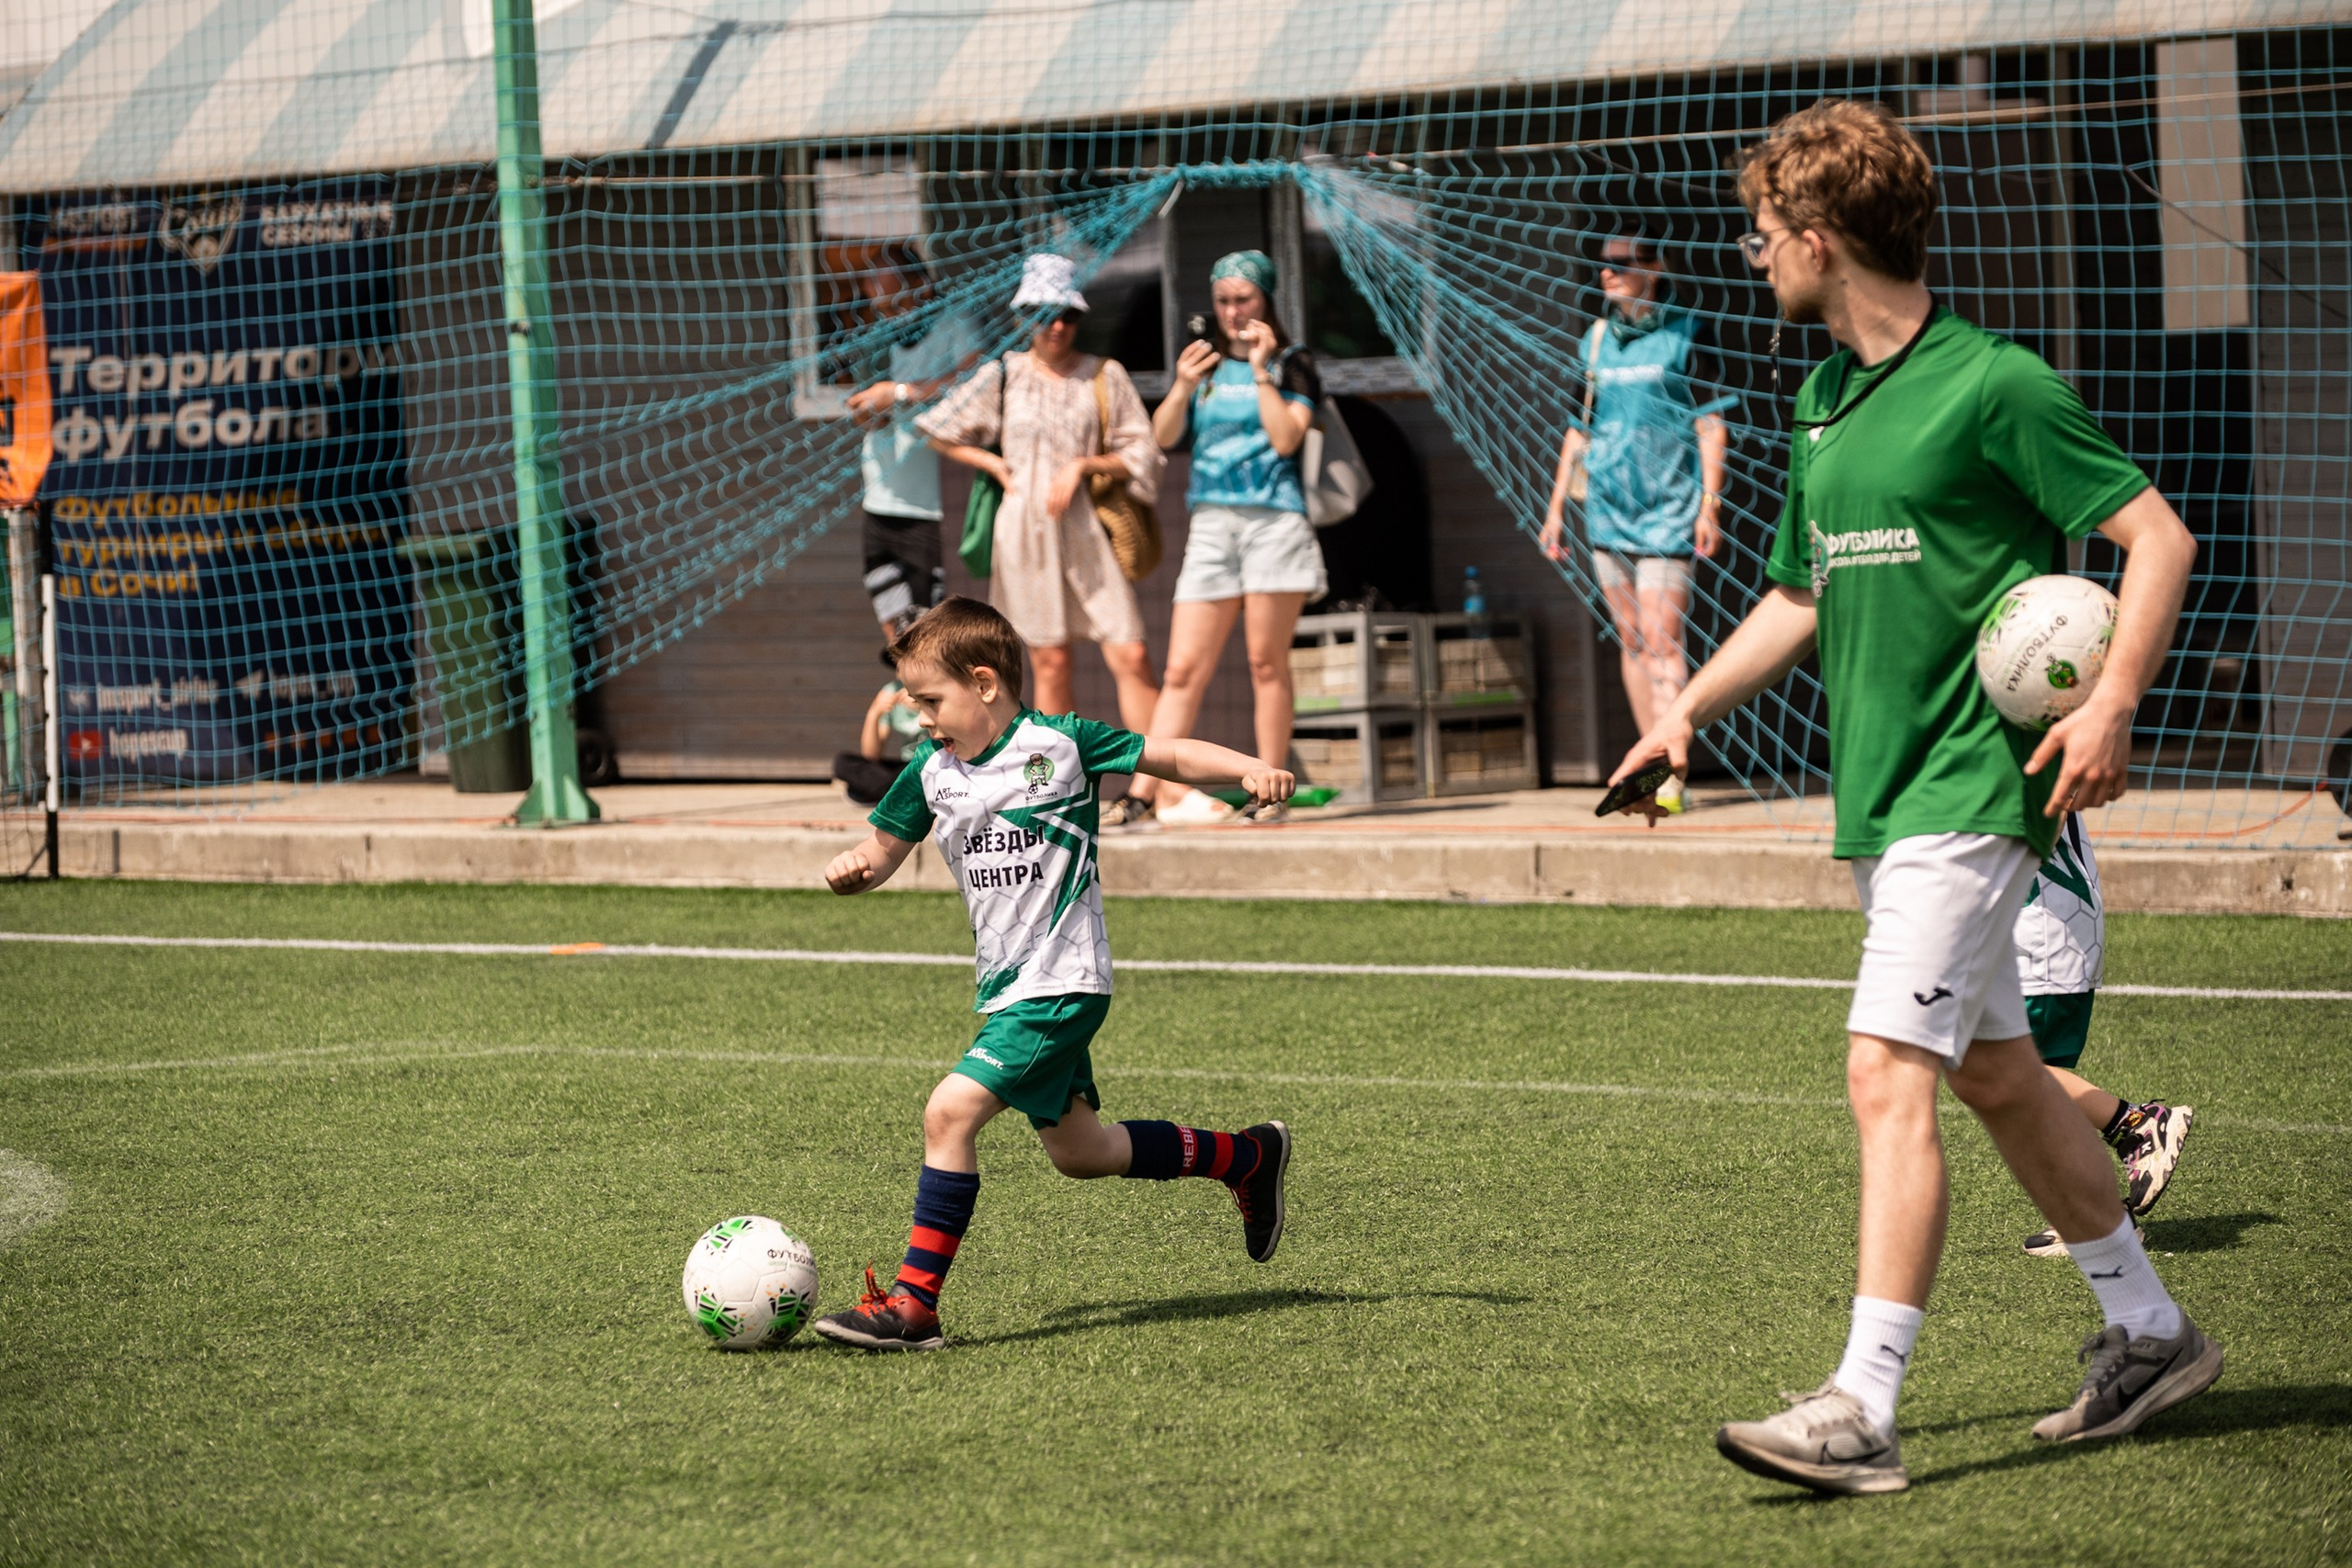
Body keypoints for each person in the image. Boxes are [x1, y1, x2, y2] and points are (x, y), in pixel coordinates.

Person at [1607, 99, 2214, 1495]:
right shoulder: (1823, 401)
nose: (1757, 255)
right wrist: (1680, 717)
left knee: (1886, 1070)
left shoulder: (1995, 384)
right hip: (1881, 799)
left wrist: (2113, 700)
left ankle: (1861, 1407)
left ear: (1821, 239)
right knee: (1999, 1074)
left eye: (1765, 234)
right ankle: (2149, 1331)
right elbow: (1797, 595)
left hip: (1973, 791)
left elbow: (2156, 536)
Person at [809, 596, 1295, 1351]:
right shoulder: (931, 772)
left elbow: (1166, 754)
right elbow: (881, 850)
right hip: (1010, 989)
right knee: (1082, 1153)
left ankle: (914, 1306)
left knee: (949, 1113)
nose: (921, 718)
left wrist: (1250, 769)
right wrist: (855, 869)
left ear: (984, 683)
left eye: (930, 701)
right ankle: (1247, 1156)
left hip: (1063, 982)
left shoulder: (1061, 743)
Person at [1111, 249, 1325, 829]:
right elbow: (1161, 437)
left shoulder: (1293, 363)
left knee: (1265, 662)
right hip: (1210, 522)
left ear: (1266, 300)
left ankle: (1270, 791)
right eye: (1223, 300)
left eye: (1244, 299)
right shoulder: (1204, 363)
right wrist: (1182, 386)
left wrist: (1259, 370)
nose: (1233, 311)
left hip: (1273, 521)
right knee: (1183, 669)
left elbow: (1285, 439)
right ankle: (1142, 793)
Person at [922, 255, 1162, 732]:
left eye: (1067, 315)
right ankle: (1061, 775)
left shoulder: (1103, 374)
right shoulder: (1004, 374)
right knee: (1051, 662)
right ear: (1024, 317)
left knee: (1131, 653)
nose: (1056, 326)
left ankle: (1158, 772)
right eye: (1043, 314)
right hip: (1026, 530)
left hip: (1089, 528)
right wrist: (993, 463)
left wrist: (1084, 465)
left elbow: (1143, 451)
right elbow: (937, 430)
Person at [1542, 235, 1730, 816]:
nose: (1609, 273)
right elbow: (1579, 429)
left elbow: (1710, 423)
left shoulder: (1687, 333)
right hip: (1607, 510)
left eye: (1623, 264)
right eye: (1603, 265)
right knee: (1631, 640)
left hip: (1668, 508)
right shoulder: (1596, 340)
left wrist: (1710, 504)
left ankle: (1673, 774)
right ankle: (1648, 771)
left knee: (1663, 639)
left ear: (1656, 267)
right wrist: (1555, 509)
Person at [2015, 811, 2195, 1258]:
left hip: (2042, 933)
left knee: (2009, 1072)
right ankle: (2096, 1220)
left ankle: (2138, 1127)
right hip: (2041, 930)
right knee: (2025, 1089)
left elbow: (2047, 808)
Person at [844, 249, 983, 640]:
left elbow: (976, 378)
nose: (883, 308)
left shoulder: (956, 321)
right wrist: (867, 412)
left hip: (933, 506)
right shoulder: (874, 338)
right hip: (881, 500)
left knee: (932, 632)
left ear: (921, 286)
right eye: (875, 298)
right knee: (897, 633)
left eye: (893, 298)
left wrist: (902, 392)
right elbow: (869, 413)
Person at [830, 654, 927, 806]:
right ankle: (905, 793)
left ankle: (886, 793)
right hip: (907, 766)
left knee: (919, 774)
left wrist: (924, 707)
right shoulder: (892, 690)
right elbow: (871, 755)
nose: (899, 672)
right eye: (897, 666)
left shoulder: (933, 688)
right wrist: (874, 713)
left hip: (933, 762)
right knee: (843, 762)